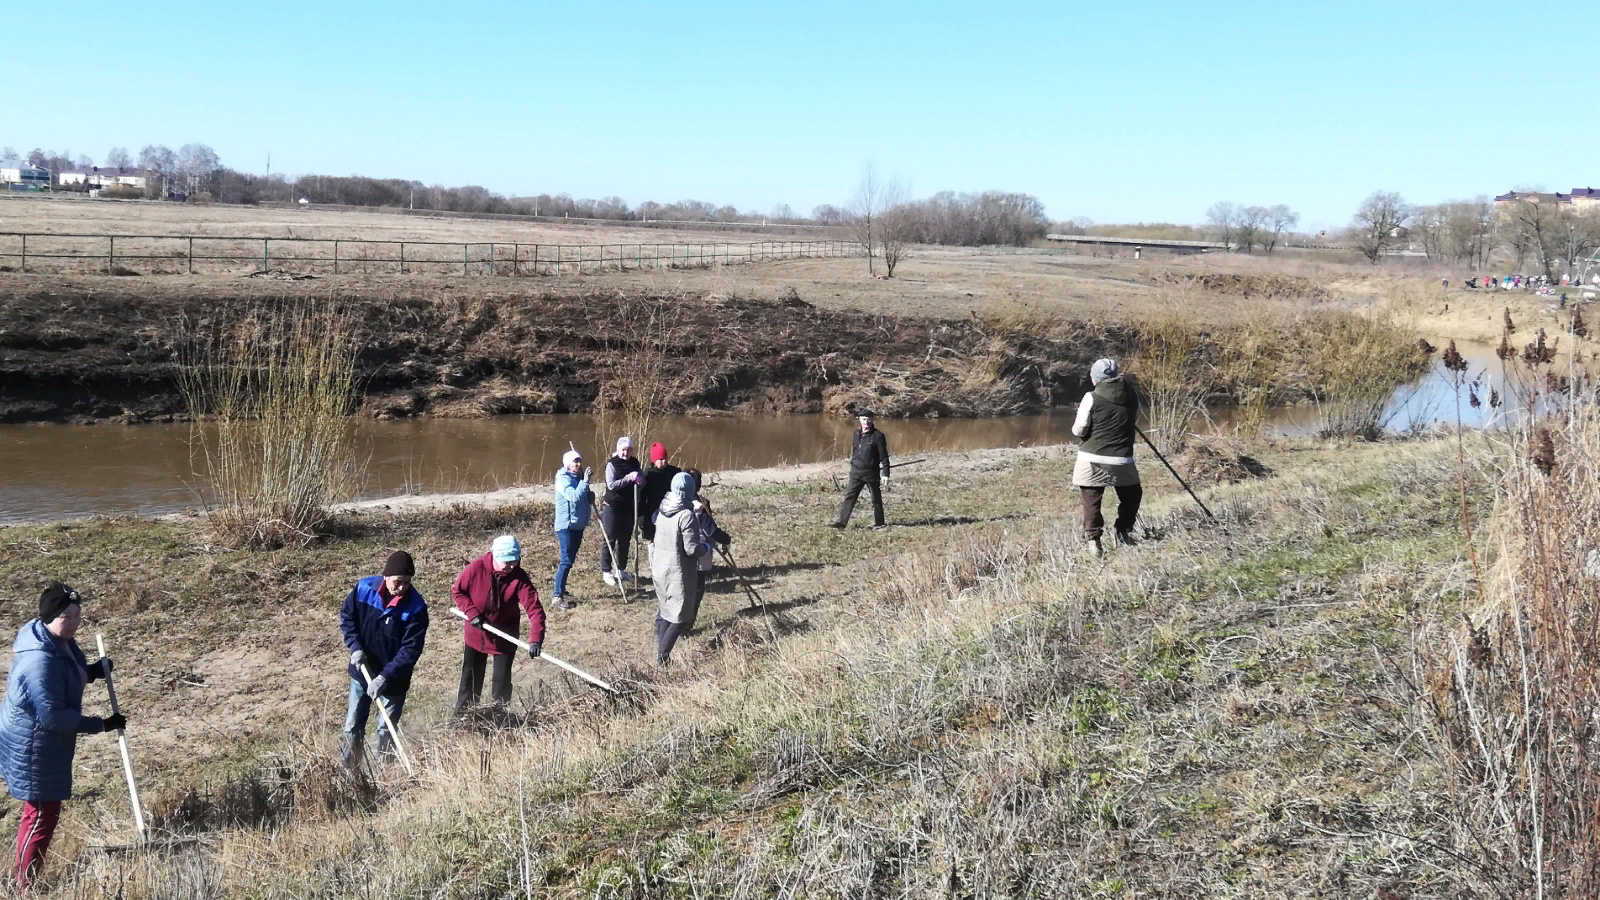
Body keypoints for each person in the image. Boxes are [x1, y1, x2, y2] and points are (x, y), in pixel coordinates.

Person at [0, 584, 125, 890]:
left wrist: (92, 671)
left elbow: (67, 672)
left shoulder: (56, 640)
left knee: (39, 810)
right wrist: (103, 725)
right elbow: (53, 716)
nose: (72, 621)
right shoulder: (39, 661)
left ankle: (22, 878)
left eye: (76, 614)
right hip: (33, 744)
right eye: (65, 616)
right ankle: (23, 886)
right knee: (42, 813)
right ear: (48, 617)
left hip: (40, 740)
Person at [338, 551, 428, 767]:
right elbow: (348, 617)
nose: (402, 587)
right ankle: (350, 771)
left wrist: (385, 677)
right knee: (353, 725)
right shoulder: (363, 590)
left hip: (394, 681)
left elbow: (410, 650)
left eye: (407, 582)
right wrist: (355, 647)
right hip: (363, 672)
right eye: (398, 581)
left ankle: (385, 772)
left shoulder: (416, 608)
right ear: (386, 576)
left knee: (385, 729)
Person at [452, 535, 545, 716]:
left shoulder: (519, 577)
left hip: (504, 634)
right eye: (507, 562)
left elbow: (535, 610)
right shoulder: (476, 569)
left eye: (515, 561)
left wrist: (535, 639)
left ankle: (500, 718)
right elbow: (458, 592)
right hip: (476, 632)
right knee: (470, 680)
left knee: (501, 681)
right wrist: (472, 613)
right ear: (496, 557)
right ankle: (463, 719)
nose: (512, 566)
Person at [1072, 358, 1142, 557]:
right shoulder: (1131, 396)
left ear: (1096, 379)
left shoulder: (1091, 397)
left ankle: (1094, 542)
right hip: (1122, 460)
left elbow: (1079, 430)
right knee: (1132, 496)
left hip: (1092, 460)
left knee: (1092, 500)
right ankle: (1123, 533)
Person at [651, 472, 705, 667]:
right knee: (681, 616)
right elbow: (691, 550)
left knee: (666, 611)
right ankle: (662, 659)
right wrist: (705, 547)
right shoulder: (686, 515)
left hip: (660, 568)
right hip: (677, 572)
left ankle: (661, 653)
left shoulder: (663, 508)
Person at [683, 468, 731, 632]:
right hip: (696, 553)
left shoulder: (674, 501)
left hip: (677, 554)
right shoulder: (698, 506)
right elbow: (711, 530)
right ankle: (687, 625)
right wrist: (726, 539)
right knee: (695, 590)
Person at [829, 409, 891, 529]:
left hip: (871, 473)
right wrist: (853, 463)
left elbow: (884, 457)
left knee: (876, 498)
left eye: (869, 419)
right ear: (859, 420)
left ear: (872, 420)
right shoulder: (856, 433)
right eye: (863, 419)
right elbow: (855, 450)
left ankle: (880, 523)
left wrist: (885, 474)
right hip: (856, 472)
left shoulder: (878, 436)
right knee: (850, 497)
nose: (866, 422)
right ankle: (841, 523)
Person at [551, 450, 594, 610]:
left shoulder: (579, 478)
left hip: (578, 525)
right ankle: (557, 596)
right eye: (574, 462)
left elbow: (581, 497)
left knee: (570, 561)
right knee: (566, 560)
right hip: (566, 526)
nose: (578, 464)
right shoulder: (562, 479)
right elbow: (573, 496)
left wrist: (590, 498)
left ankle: (561, 589)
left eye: (579, 461)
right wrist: (585, 482)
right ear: (567, 464)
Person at [600, 436, 644, 587]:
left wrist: (639, 479)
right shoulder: (612, 464)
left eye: (629, 449)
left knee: (625, 538)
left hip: (629, 505)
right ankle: (606, 571)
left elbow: (641, 479)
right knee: (610, 537)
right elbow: (611, 485)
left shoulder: (634, 462)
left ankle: (621, 569)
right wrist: (628, 479)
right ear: (618, 449)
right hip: (612, 505)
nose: (626, 452)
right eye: (623, 450)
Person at [638, 442, 683, 543]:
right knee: (653, 544)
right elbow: (641, 499)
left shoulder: (674, 472)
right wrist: (642, 520)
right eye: (661, 459)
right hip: (653, 514)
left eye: (665, 458)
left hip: (672, 511)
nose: (664, 461)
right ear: (654, 460)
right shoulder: (647, 475)